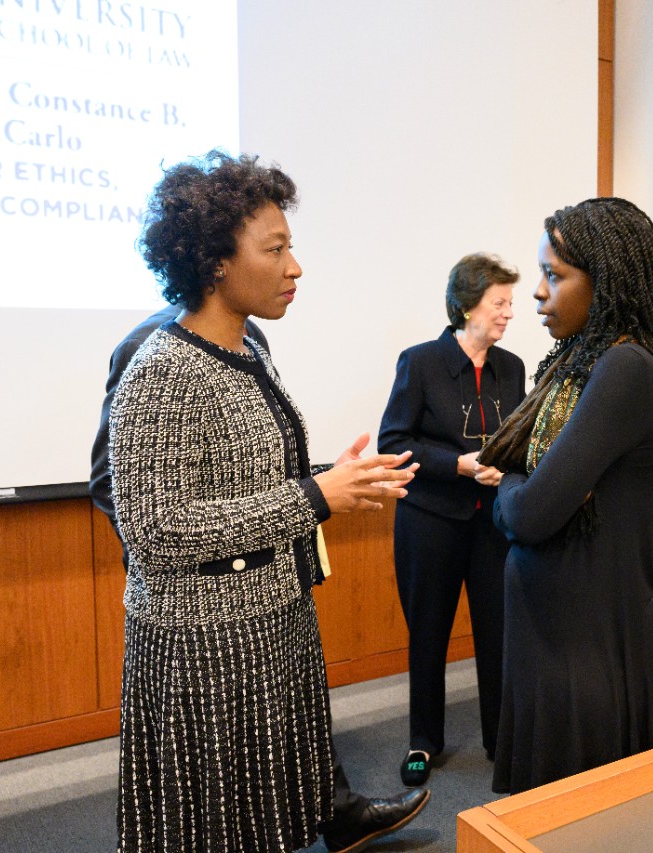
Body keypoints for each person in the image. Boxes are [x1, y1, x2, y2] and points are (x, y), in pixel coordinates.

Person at [109, 151, 428, 853]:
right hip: (205, 643)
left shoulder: (246, 347)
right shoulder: (162, 371)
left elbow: (245, 477)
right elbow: (156, 528)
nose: (296, 266)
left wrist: (331, 476)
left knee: (265, 819)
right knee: (215, 827)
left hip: (269, 621)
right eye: (275, 248)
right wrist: (316, 495)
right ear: (216, 263)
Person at [478, 196, 653, 794]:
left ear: (608, 281)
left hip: (586, 642)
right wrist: (518, 487)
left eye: (555, 275)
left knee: (581, 820)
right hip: (558, 632)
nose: (539, 293)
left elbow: (534, 512)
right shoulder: (579, 362)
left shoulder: (624, 367)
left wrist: (510, 485)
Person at [377, 253, 527, 786]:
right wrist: (459, 465)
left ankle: (499, 737)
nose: (510, 313)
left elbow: (516, 437)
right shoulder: (419, 363)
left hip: (493, 523)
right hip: (430, 520)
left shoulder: (511, 367)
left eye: (511, 303)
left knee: (497, 633)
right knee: (429, 634)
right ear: (466, 306)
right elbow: (394, 443)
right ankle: (424, 741)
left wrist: (505, 466)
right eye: (499, 303)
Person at [89, 305, 269, 535]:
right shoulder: (152, 348)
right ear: (219, 268)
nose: (294, 270)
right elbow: (109, 481)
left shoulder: (251, 335)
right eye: (277, 264)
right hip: (194, 565)